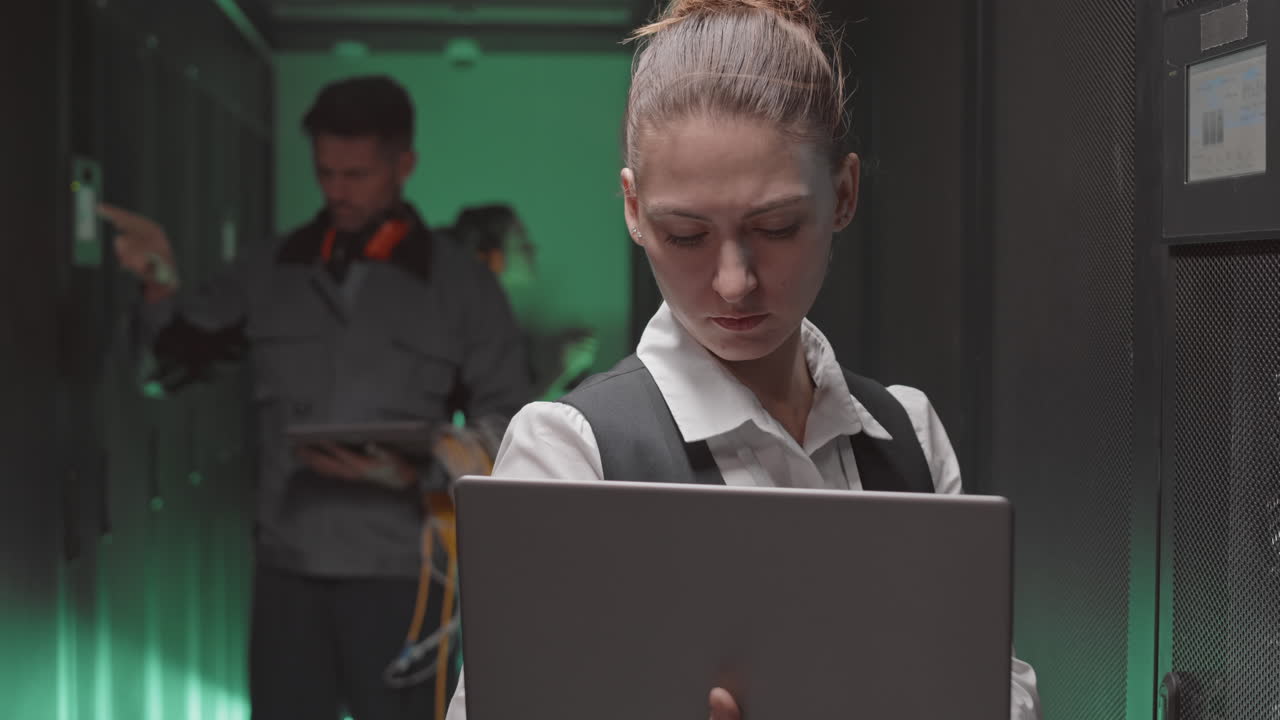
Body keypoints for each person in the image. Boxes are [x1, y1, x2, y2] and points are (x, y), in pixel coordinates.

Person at [444, 1, 1043, 718]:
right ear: (634, 209)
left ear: (845, 194)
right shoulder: (571, 452)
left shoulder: (906, 434)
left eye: (777, 227)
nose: (734, 282)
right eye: (687, 234)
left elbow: (994, 687)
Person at [100, 75, 529, 720]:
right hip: (289, 569)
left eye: (358, 174)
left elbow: (509, 430)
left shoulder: (461, 288)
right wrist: (160, 280)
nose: (338, 191)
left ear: (404, 164)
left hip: (404, 574)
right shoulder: (269, 271)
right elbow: (167, 369)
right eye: (326, 172)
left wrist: (417, 468)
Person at [451, 203, 600, 401]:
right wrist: (561, 370)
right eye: (521, 241)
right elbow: (507, 420)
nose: (532, 248)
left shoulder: (500, 322)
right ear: (492, 258)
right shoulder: (476, 332)